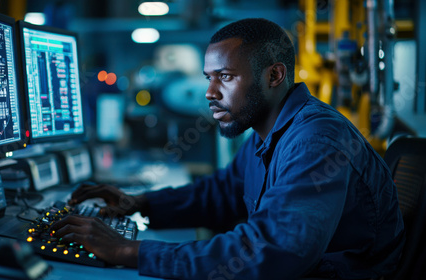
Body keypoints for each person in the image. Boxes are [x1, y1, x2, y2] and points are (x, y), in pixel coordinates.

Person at [51, 18, 405, 279]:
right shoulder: (267, 133)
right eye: (209, 77)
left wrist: (126, 250)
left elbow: (272, 252)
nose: (209, 92)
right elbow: (220, 193)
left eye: (226, 77)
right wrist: (139, 203)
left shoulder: (315, 141)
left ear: (274, 75)